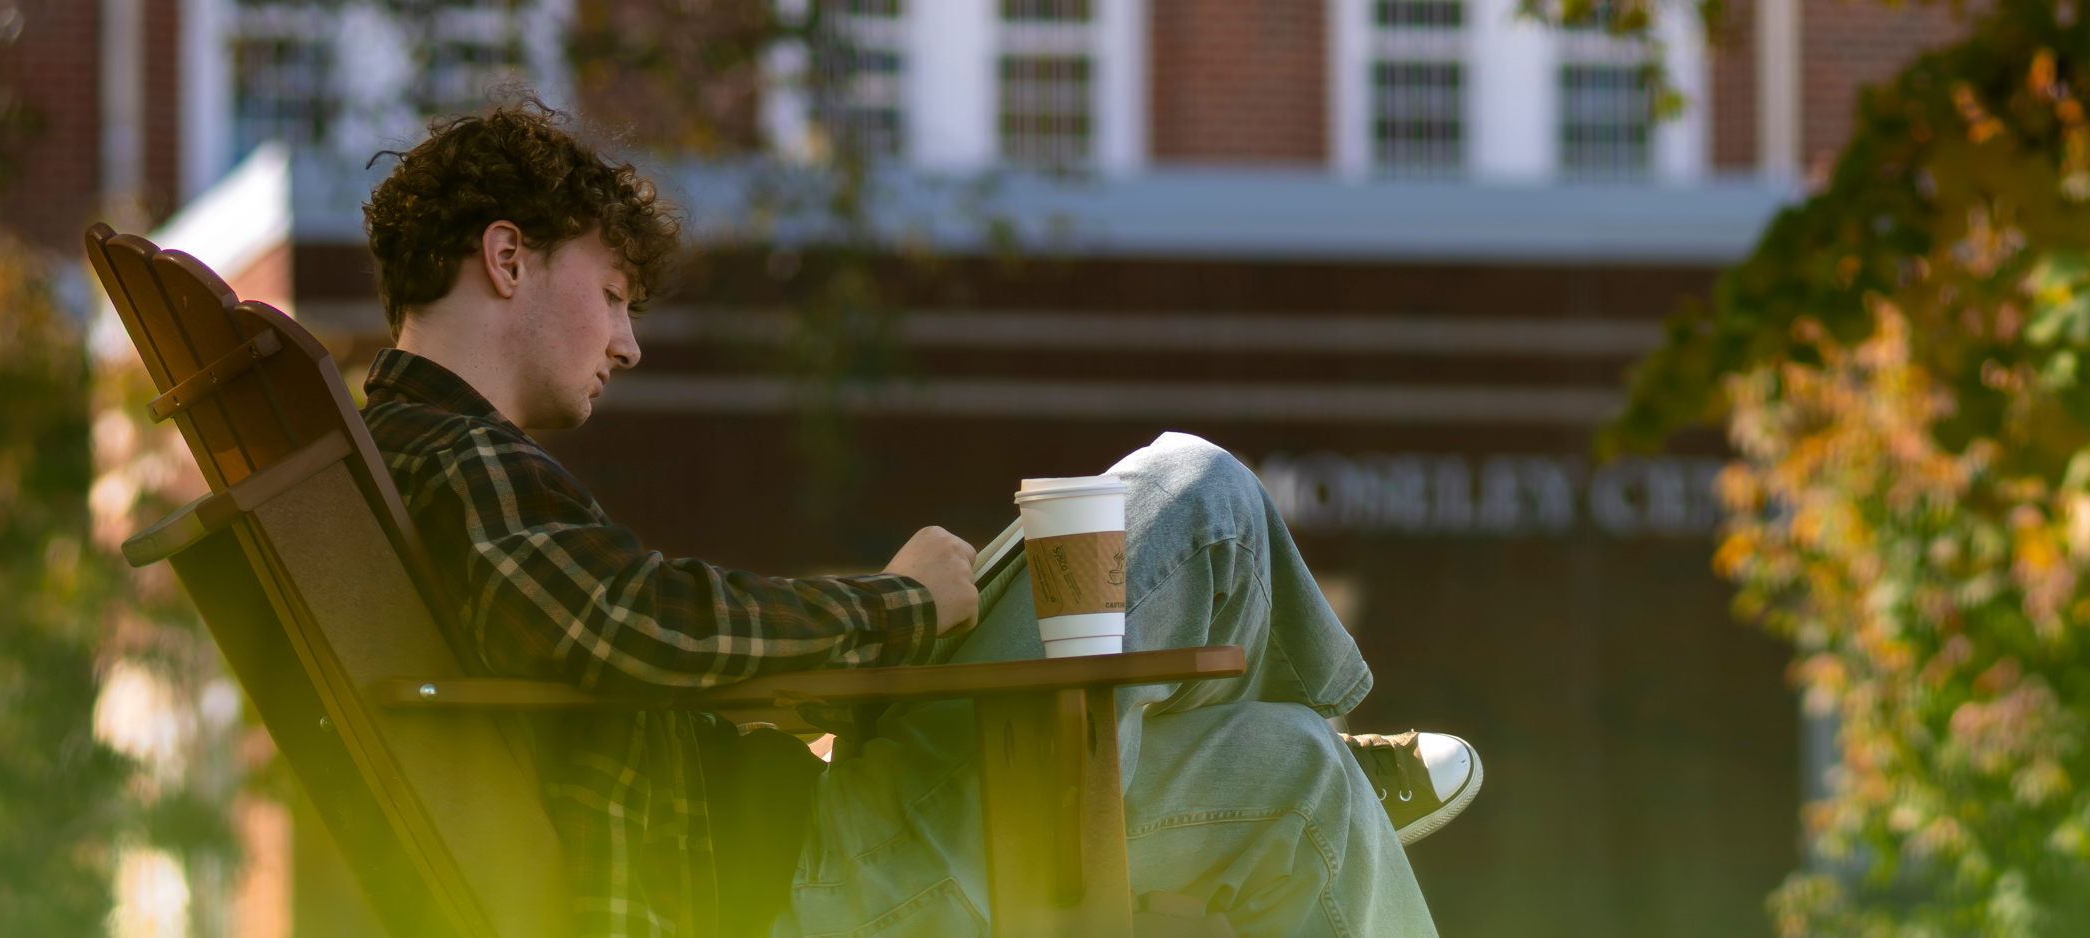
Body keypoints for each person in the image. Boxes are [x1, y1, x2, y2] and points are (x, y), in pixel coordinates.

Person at [353, 100, 1484, 937]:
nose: (628, 342)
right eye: (612, 294)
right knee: (1200, 493)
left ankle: (1311, 739)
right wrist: (899, 609)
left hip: (836, 844)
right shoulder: (455, 458)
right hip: (829, 879)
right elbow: (634, 624)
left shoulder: (419, 468)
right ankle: (1297, 715)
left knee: (1298, 781)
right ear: (508, 257)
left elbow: (619, 641)